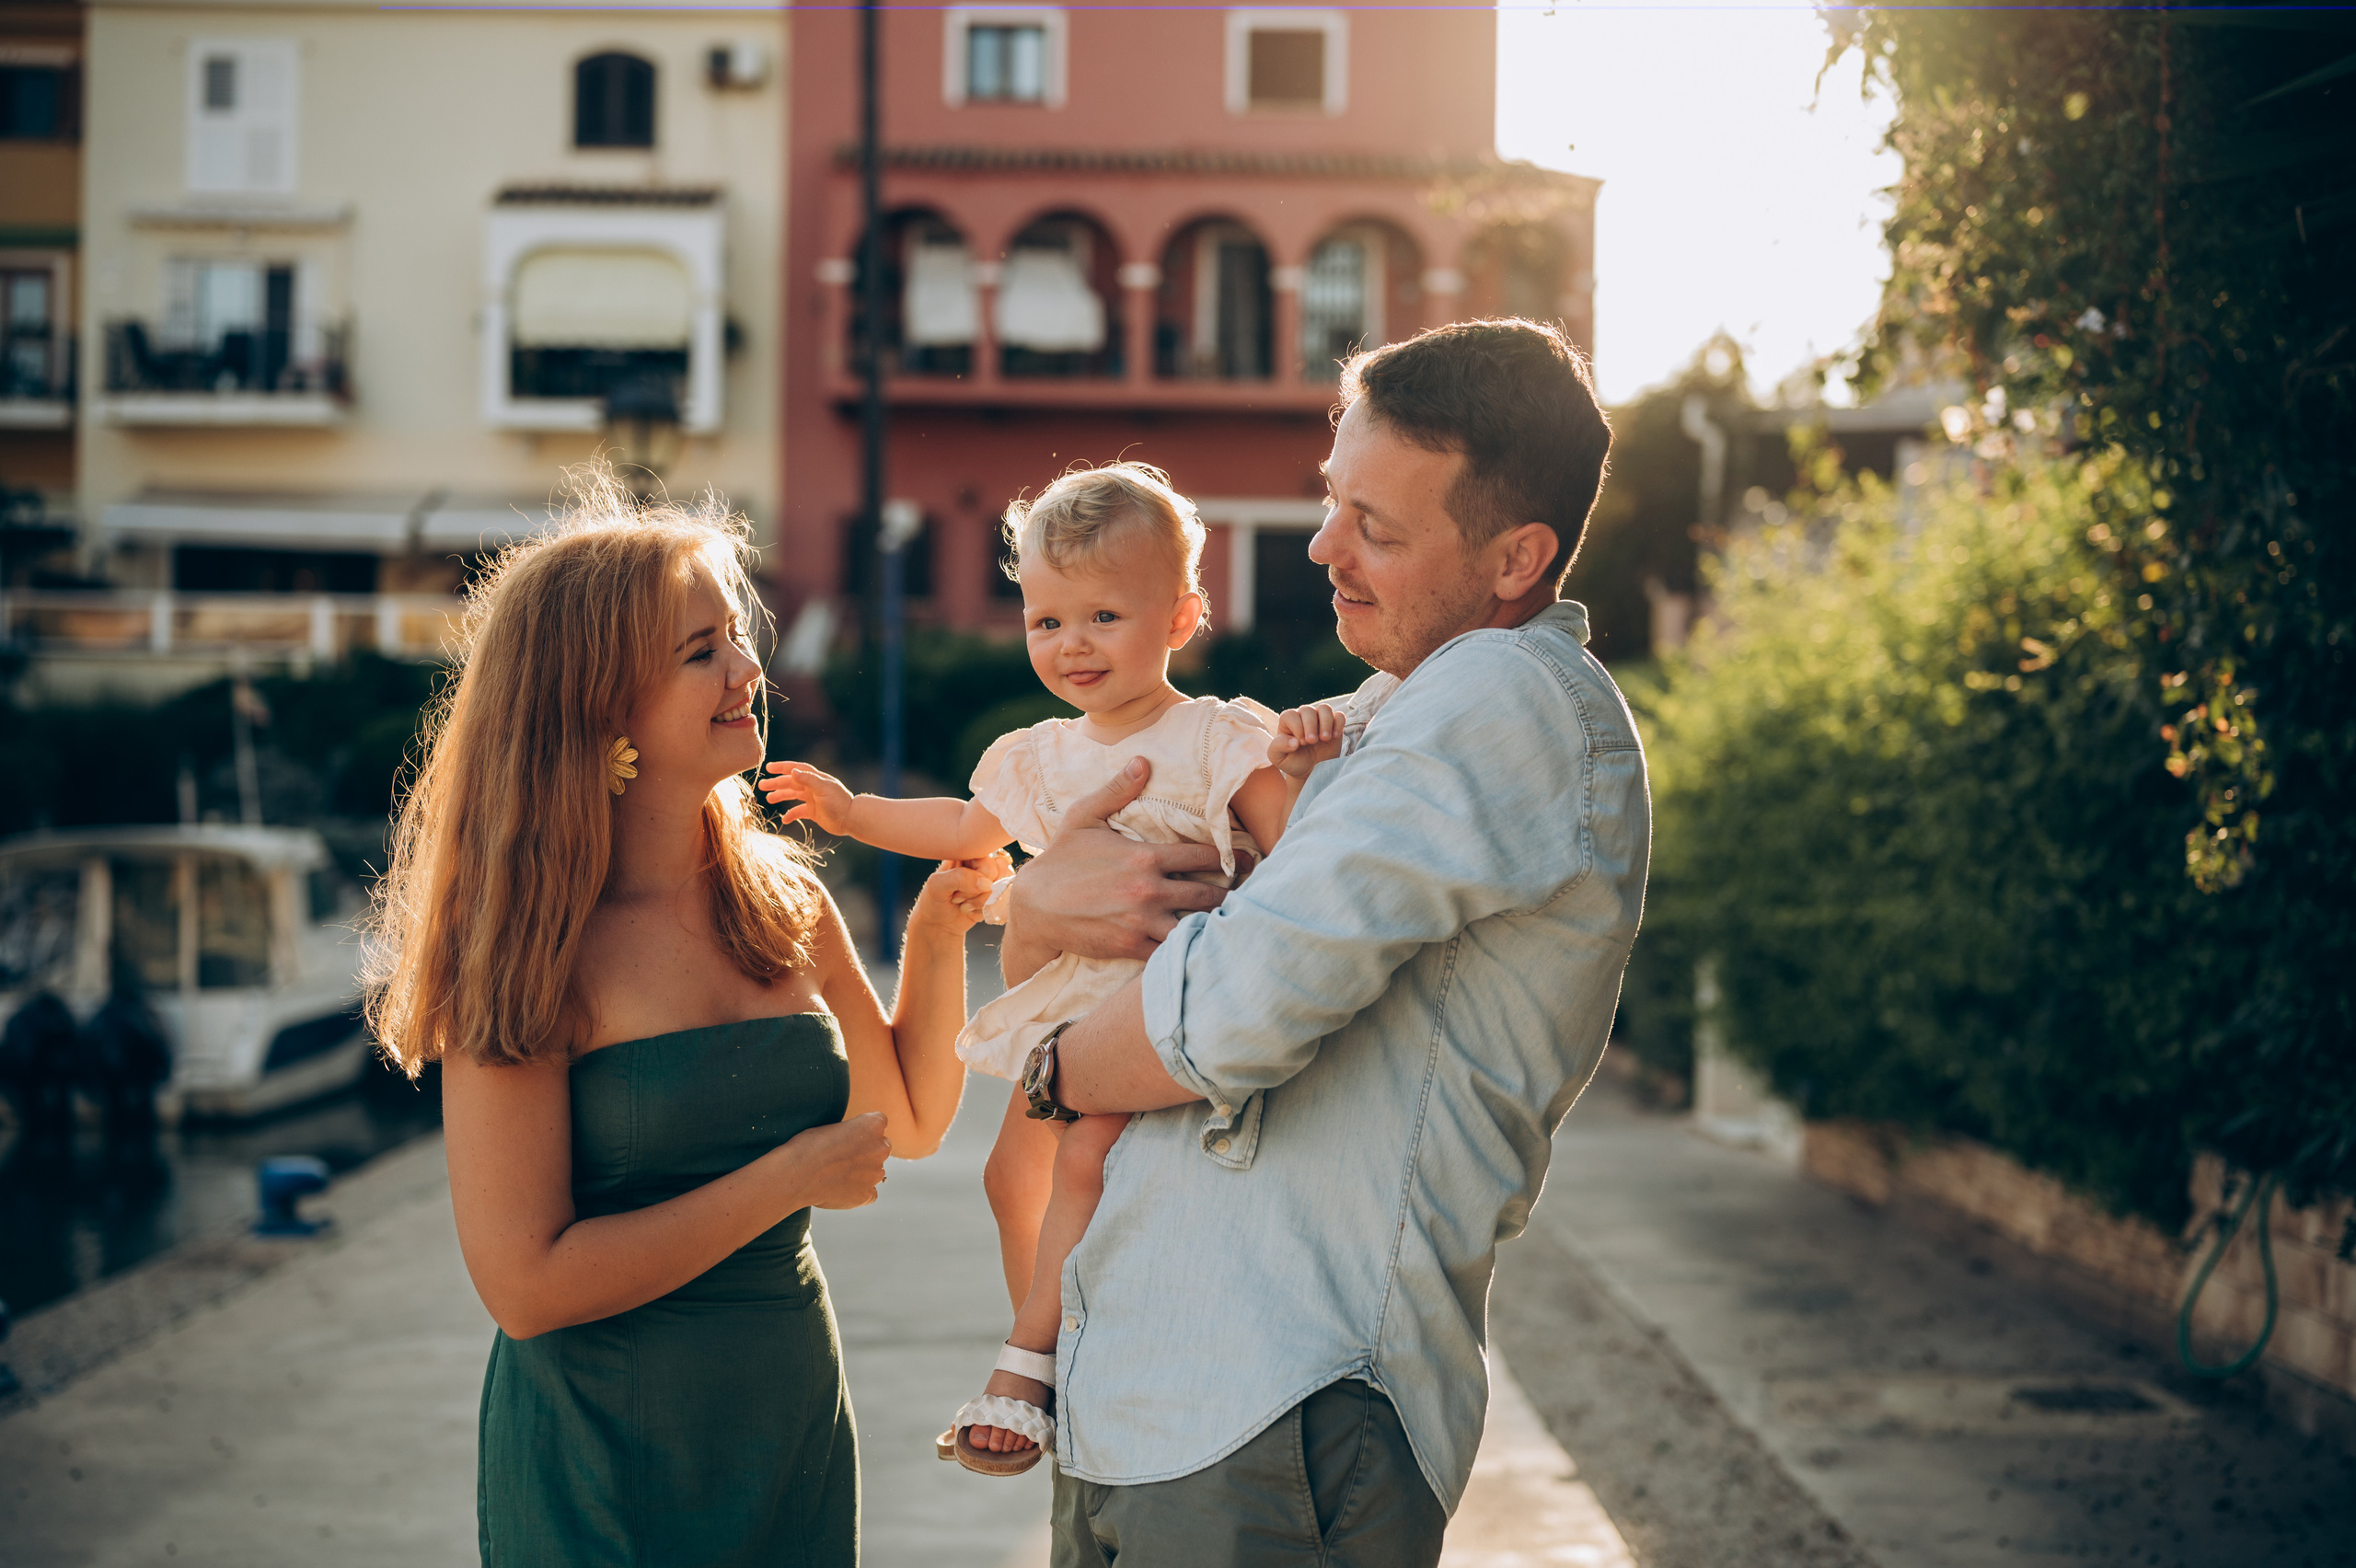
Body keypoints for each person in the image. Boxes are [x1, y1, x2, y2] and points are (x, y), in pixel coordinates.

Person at [999, 319, 1649, 1566]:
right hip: (1155, 1398)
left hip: (1279, 1406)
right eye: (1330, 500)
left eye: (1376, 527)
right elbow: (1082, 938)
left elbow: (1220, 1017)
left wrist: (1051, 1064)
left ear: (1516, 558)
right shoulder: (1380, 713)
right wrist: (1038, 914)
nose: (1321, 547)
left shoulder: (1504, 695)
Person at [365, 472, 1001, 1568]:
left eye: (737, 637)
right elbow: (525, 1287)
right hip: (601, 1462)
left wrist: (937, 938)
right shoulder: (527, 945)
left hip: (786, 1424)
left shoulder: (782, 901)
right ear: (598, 703)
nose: (748, 671)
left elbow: (905, 1123)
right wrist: (787, 1178)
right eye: (701, 650)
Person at [758, 462, 1335, 1474]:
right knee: (1008, 1174)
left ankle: (1027, 1363)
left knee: (1082, 1160)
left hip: (1157, 1004)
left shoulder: (1215, 737)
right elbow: (963, 828)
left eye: (1104, 616)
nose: (1072, 644)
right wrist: (852, 812)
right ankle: (1063, 1335)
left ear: (1181, 616)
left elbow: (1294, 862)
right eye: (1046, 621)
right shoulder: (1038, 755)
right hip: (1071, 1013)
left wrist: (1304, 765)